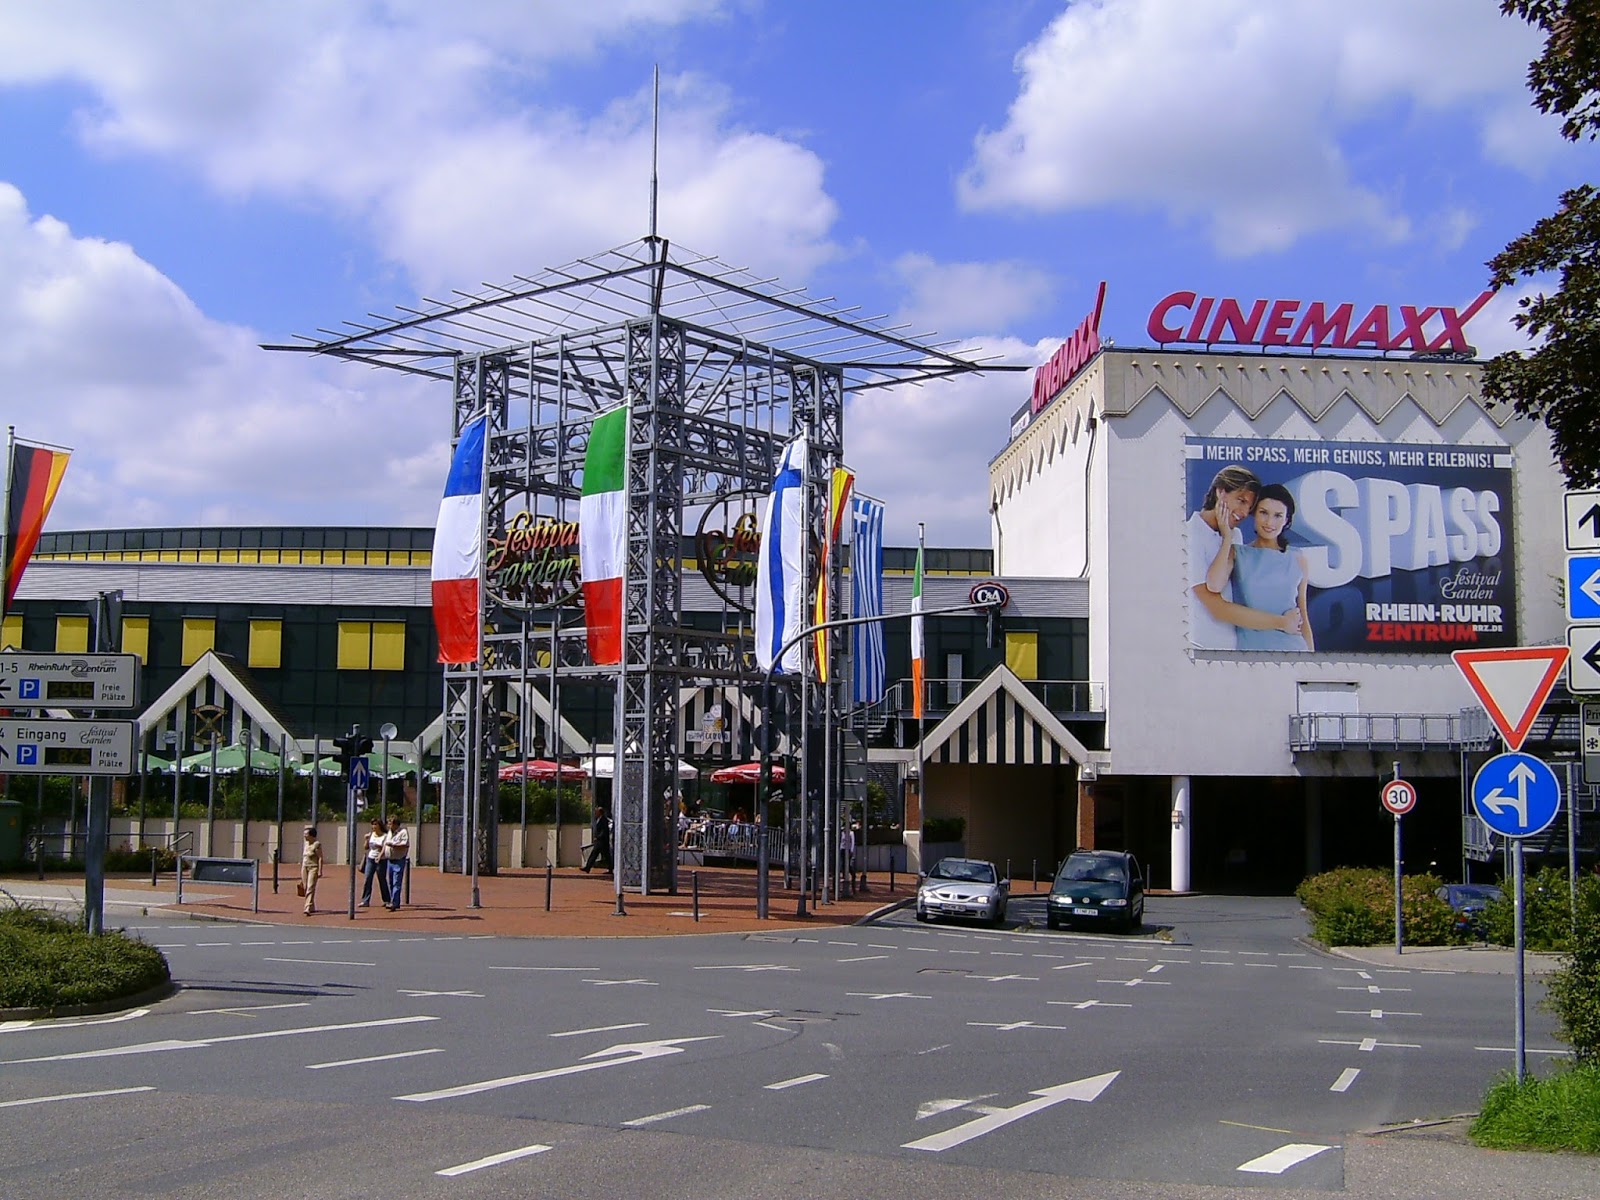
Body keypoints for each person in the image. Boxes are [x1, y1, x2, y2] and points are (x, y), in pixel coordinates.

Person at [1188, 463, 1301, 649]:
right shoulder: (1190, 535)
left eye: (1250, 506)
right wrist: (1281, 622)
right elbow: (1217, 607)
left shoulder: (1236, 535)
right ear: (1220, 492)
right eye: (1241, 500)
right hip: (1205, 646)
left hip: (1242, 644)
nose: (1244, 513)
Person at [1231, 483, 1315, 651]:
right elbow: (1214, 586)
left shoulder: (1298, 559)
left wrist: (1311, 658)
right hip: (1250, 651)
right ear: (1254, 513)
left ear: (1287, 520)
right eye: (1263, 513)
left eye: (1278, 516)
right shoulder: (1236, 554)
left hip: (1294, 650)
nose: (1270, 522)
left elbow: (1303, 615)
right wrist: (1227, 535)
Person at [359, 817, 389, 907]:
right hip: (370, 859)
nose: (374, 826)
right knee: (368, 878)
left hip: (381, 860)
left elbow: (385, 848)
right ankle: (365, 900)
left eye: (376, 824)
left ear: (380, 825)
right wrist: (366, 840)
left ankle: (386, 900)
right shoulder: (371, 834)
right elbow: (366, 847)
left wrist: (379, 853)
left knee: (382, 879)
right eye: (372, 824)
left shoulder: (385, 836)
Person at [383, 815, 409, 909]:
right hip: (390, 860)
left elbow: (405, 845)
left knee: (396, 882)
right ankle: (394, 901)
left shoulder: (403, 832)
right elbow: (385, 845)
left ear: (395, 824)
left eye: (390, 823)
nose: (388, 825)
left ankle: (394, 903)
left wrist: (393, 845)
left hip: (399, 860)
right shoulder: (389, 832)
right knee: (391, 882)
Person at [581, 802, 612, 873]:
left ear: (600, 813)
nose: (595, 813)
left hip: (602, 841)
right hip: (600, 841)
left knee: (604, 855)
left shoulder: (603, 820)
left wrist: (598, 837)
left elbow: (604, 831)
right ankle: (588, 867)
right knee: (595, 854)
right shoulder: (599, 819)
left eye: (597, 812)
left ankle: (610, 868)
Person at [300, 826, 323, 916]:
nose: (304, 836)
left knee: (310, 887)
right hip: (304, 867)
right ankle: (312, 905)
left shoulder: (316, 844)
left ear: (311, 835)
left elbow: (320, 858)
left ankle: (307, 907)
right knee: (305, 887)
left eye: (306, 834)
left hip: (313, 867)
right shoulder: (306, 844)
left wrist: (320, 870)